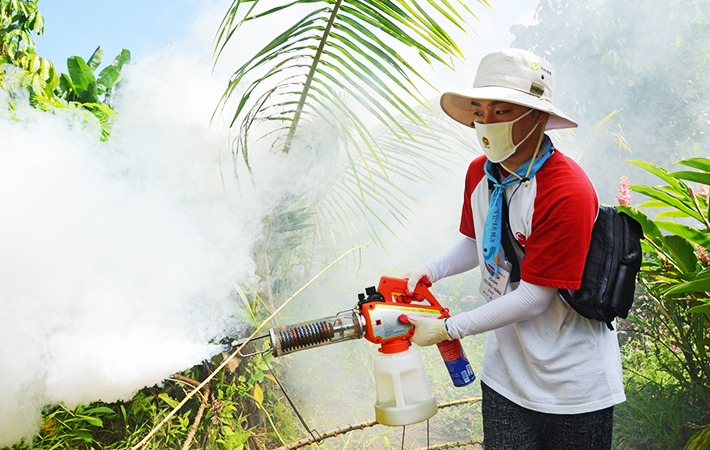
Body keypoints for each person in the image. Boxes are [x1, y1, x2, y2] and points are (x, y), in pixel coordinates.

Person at [400, 48, 625, 449]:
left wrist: (448, 329)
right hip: (505, 375)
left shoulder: (565, 189)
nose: (486, 123)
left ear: (538, 117)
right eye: (479, 110)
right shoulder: (480, 173)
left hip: (574, 383)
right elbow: (476, 243)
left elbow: (535, 298)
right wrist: (432, 269)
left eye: (501, 112)